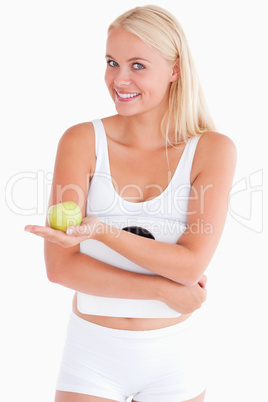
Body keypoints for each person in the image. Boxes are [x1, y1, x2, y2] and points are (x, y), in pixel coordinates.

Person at [25, 5, 236, 402]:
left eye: (138, 65)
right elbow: (60, 267)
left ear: (175, 69)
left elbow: (191, 264)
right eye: (112, 62)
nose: (119, 79)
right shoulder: (81, 141)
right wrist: (163, 289)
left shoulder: (212, 150)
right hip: (91, 354)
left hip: (174, 359)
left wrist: (103, 230)